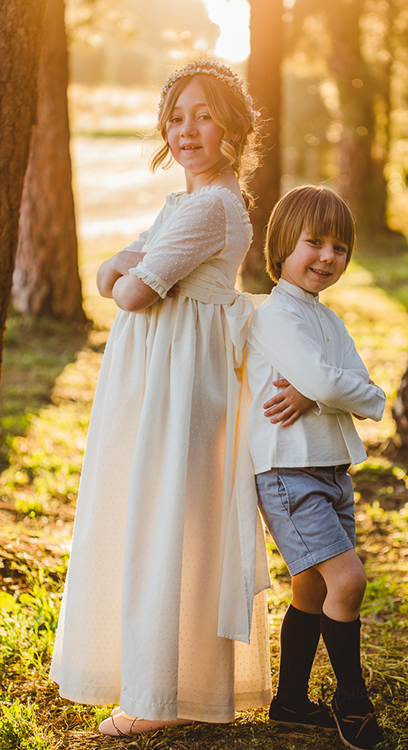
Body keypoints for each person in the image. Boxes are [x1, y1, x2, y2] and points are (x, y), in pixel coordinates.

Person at [49, 58, 271, 735]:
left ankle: (155, 696)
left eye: (204, 115)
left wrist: (126, 274)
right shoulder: (192, 203)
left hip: (182, 384)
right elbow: (108, 272)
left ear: (232, 126)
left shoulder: (210, 206)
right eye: (176, 117)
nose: (187, 130)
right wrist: (122, 270)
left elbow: (132, 289)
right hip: (164, 378)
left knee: (167, 522)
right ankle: (169, 682)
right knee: (167, 518)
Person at [244, 185, 386, 749]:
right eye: (314, 243)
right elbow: (342, 383)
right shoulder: (276, 314)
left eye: (340, 248)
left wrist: (320, 393)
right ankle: (351, 698)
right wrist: (327, 390)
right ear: (282, 246)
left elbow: (368, 389)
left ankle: (290, 701)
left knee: (309, 588)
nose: (328, 257)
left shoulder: (327, 320)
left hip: (330, 469)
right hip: (288, 471)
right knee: (347, 581)